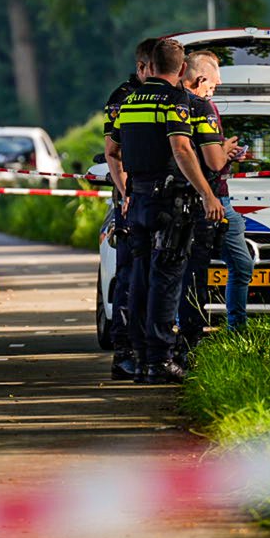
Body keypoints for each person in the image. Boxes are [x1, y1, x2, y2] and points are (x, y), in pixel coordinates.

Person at [111, 37, 223, 385]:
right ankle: (160, 359)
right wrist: (207, 194)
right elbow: (182, 150)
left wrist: (125, 189)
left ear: (152, 64)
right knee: (167, 280)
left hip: (138, 200)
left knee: (141, 277)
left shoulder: (129, 100)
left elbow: (112, 150)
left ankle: (142, 357)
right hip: (168, 202)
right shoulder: (176, 100)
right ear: (180, 67)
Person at [178, 51, 253, 350]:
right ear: (200, 78)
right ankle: (233, 331)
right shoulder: (202, 107)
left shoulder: (175, 105)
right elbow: (211, 161)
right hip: (212, 198)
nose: (215, 89)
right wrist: (224, 149)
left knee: (186, 270)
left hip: (194, 198)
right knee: (223, 267)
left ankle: (185, 335)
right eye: (214, 84)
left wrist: (224, 153)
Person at [102, 38, 157, 380]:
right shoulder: (122, 98)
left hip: (156, 200)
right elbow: (113, 152)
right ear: (141, 68)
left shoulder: (167, 94)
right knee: (128, 276)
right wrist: (126, 194)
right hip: (132, 199)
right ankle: (125, 353)